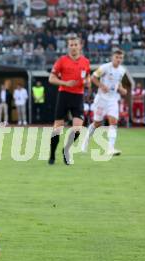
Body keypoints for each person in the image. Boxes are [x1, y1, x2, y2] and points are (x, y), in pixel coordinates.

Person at [48, 34, 90, 165]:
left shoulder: (85, 61)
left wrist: (88, 82)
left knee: (78, 128)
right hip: (64, 94)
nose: (73, 47)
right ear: (68, 47)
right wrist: (65, 83)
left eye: (75, 45)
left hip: (78, 96)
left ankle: (66, 150)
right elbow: (51, 78)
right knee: (57, 128)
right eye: (71, 45)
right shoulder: (61, 60)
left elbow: (87, 77)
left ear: (80, 46)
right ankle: (52, 155)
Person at [81, 49, 128, 156]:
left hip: (113, 99)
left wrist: (121, 89)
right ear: (112, 57)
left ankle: (110, 148)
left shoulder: (122, 70)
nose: (118, 60)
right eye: (117, 57)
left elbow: (118, 82)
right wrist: (102, 86)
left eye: (121, 58)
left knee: (113, 122)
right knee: (97, 123)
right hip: (101, 99)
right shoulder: (105, 67)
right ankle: (85, 142)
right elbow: (93, 77)